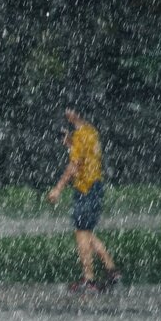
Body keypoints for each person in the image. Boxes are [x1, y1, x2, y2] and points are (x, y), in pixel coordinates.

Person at [48, 106, 120, 293]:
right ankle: (112, 270)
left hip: (85, 188)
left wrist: (58, 188)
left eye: (69, 110)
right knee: (86, 232)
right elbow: (85, 155)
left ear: (74, 114)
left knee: (81, 233)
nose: (66, 112)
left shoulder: (81, 135)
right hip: (96, 186)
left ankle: (89, 279)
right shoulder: (91, 132)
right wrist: (70, 143)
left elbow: (74, 165)